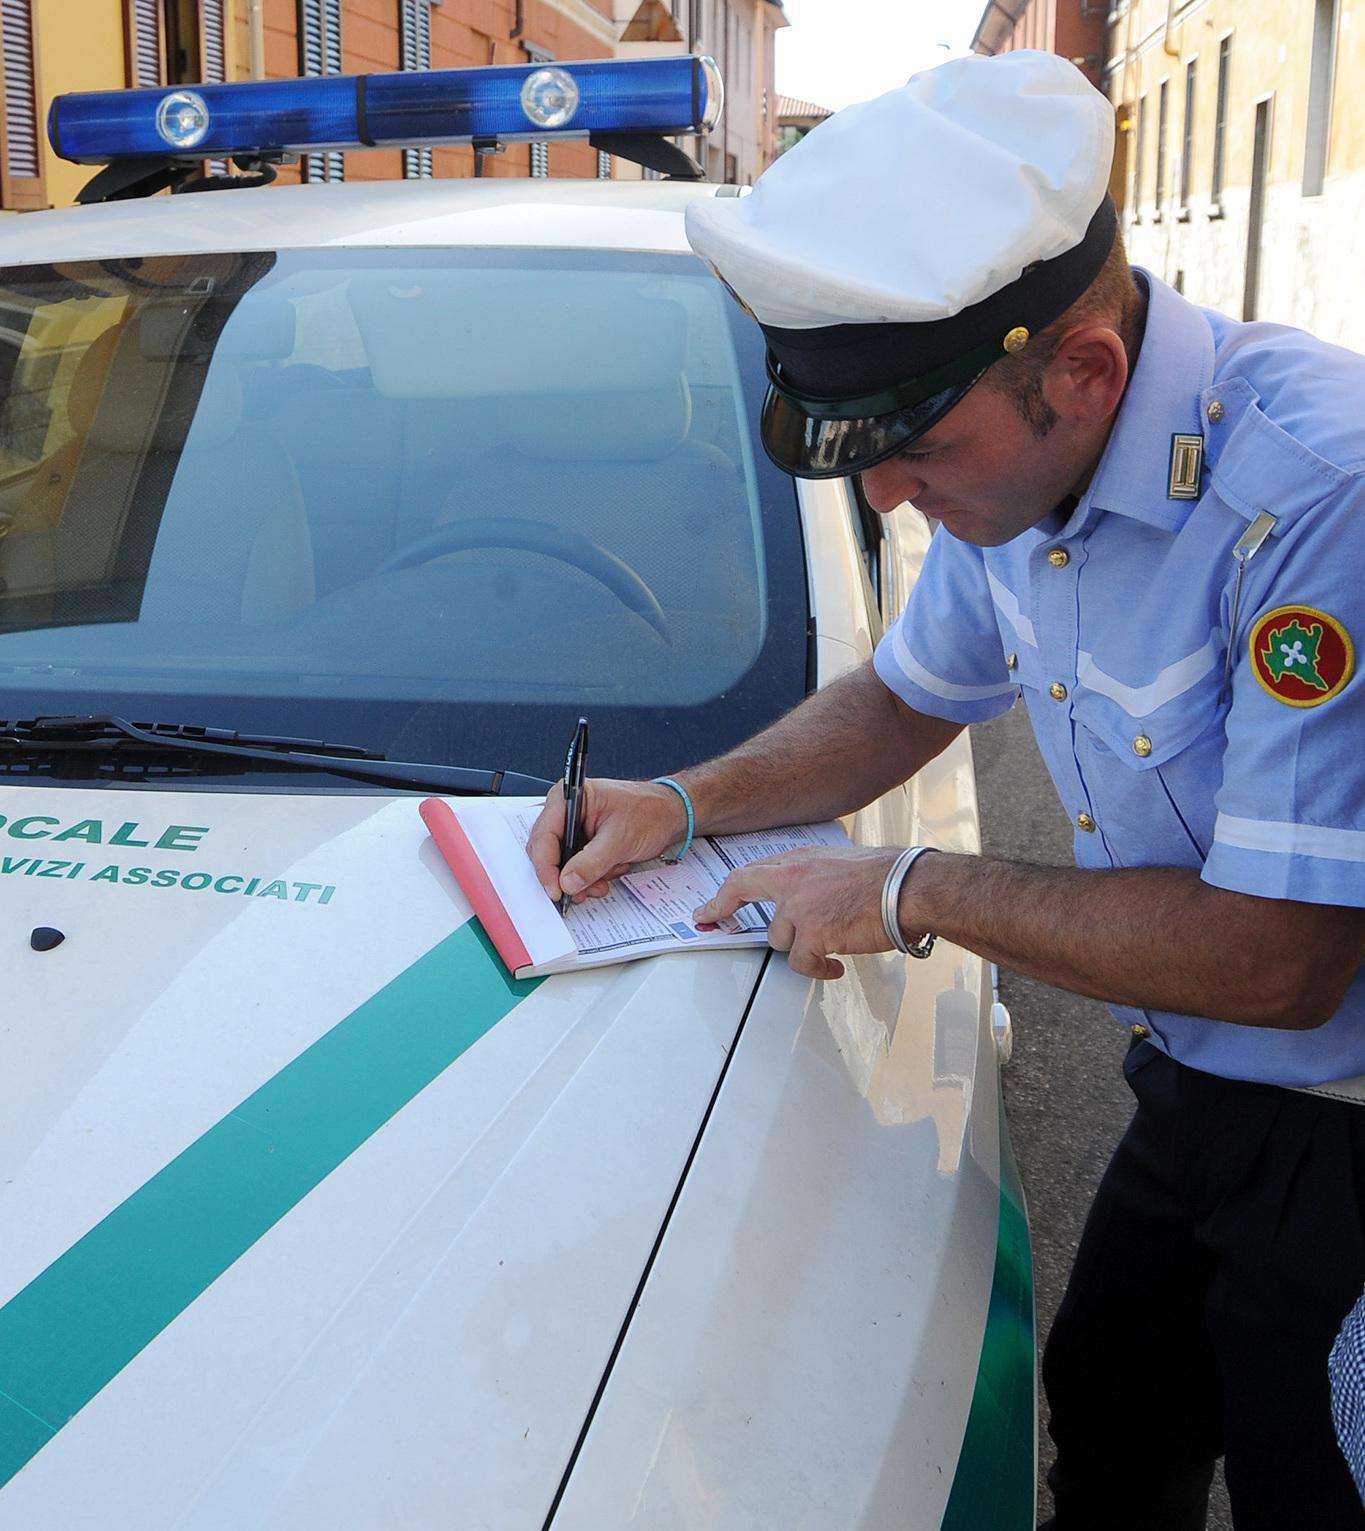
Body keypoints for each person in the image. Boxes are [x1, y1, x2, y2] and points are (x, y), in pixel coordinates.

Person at [527, 49, 1365, 1529]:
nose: (888, 500)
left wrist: (906, 889)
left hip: (1344, 1131)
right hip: (1193, 1088)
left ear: (1086, 371)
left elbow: (1278, 959)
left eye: (916, 447)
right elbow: (906, 697)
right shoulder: (1021, 470)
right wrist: (687, 795)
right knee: (1108, 1431)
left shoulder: (1317, 501)